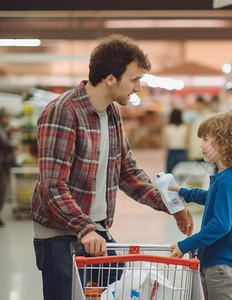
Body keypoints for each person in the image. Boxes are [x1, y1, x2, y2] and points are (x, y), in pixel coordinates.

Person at [31, 34, 194, 300]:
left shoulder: (111, 112)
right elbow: (53, 186)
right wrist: (85, 229)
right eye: (134, 79)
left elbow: (127, 172)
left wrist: (170, 205)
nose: (139, 88)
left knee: (119, 289)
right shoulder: (63, 112)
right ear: (110, 78)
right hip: (60, 235)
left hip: (97, 230)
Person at [170, 111, 232, 300]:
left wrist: (186, 244)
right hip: (219, 262)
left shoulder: (227, 180)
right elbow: (213, 198)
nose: (201, 144)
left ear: (225, 142)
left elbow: (221, 224)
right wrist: (185, 193)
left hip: (221, 267)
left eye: (206, 139)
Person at [0, 109, 16, 226]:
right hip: (2, 163)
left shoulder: (4, 128)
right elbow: (5, 143)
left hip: (3, 163)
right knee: (1, 189)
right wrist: (14, 144)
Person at [163, 108, 189, 173]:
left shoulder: (167, 128)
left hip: (171, 152)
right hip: (182, 151)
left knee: (171, 173)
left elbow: (165, 143)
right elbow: (186, 142)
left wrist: (165, 154)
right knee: (182, 174)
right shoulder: (185, 127)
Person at [187, 96, 211, 161]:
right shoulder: (194, 117)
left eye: (196, 104)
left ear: (200, 103)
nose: (195, 106)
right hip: (195, 151)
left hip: (206, 151)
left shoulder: (209, 116)